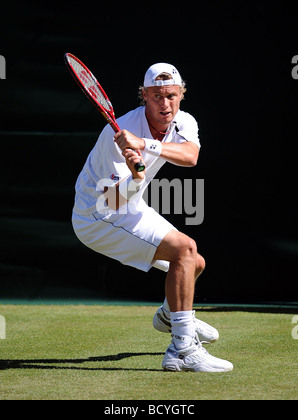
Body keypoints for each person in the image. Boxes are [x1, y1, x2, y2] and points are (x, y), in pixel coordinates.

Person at [72, 63, 233, 372]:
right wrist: (134, 175)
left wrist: (144, 146)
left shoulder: (183, 121)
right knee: (184, 249)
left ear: (182, 94)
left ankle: (169, 314)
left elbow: (191, 157)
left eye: (171, 95)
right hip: (96, 216)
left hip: (128, 206)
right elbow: (111, 201)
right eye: (156, 96)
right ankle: (182, 349)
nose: (165, 104)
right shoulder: (114, 134)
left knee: (194, 262)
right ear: (144, 96)